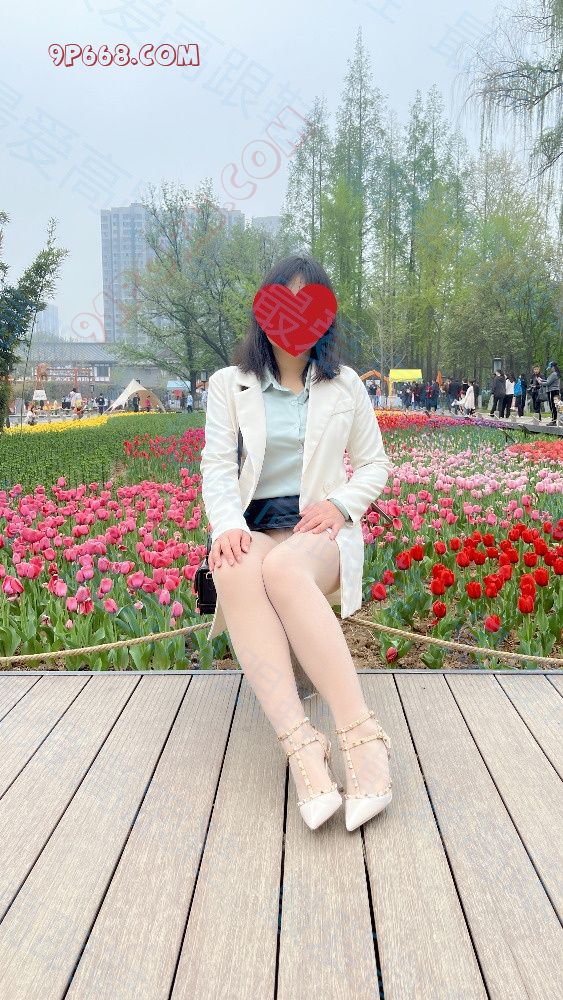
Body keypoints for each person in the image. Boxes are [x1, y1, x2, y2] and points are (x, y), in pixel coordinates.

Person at [200, 254, 393, 834]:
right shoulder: (229, 384)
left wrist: (340, 505)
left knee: (285, 568)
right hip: (254, 525)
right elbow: (216, 465)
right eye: (283, 304)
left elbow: (375, 465)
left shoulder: (346, 384)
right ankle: (303, 746)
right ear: (264, 313)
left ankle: (362, 738)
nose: (294, 321)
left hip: (319, 530)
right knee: (235, 570)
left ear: (325, 318)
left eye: (309, 306)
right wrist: (226, 525)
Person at [545, 361, 561, 426]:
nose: (550, 369)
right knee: (556, 406)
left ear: (553, 367)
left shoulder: (554, 374)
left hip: (552, 391)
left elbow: (548, 383)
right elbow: (549, 381)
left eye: (551, 368)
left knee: (552, 406)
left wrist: (539, 382)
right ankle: (556, 420)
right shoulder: (557, 373)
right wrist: (542, 380)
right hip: (556, 390)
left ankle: (553, 421)